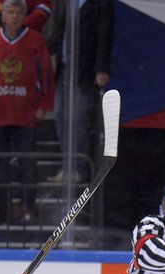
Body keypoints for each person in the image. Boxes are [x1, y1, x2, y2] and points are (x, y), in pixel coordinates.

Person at [0, 0, 53, 225]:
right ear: (2, 15)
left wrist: (44, 105)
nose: (14, 16)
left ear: (24, 16)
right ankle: (0, 209)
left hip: (26, 114)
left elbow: (46, 75)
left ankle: (29, 208)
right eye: (10, 12)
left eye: (19, 12)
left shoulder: (36, 41)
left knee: (27, 164)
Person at [45, 0, 114, 183]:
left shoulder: (100, 5)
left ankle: (78, 167)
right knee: (60, 116)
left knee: (77, 119)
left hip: (84, 69)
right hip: (64, 68)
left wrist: (101, 68)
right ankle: (67, 165)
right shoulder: (70, 4)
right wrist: (40, 48)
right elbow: (60, 32)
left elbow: (104, 35)